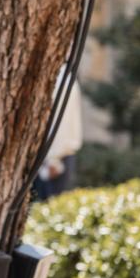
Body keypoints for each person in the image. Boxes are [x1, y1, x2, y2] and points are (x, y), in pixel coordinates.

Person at [34, 67, 83, 200]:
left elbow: (61, 123)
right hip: (55, 158)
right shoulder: (65, 77)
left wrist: (53, 160)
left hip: (53, 161)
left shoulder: (61, 78)